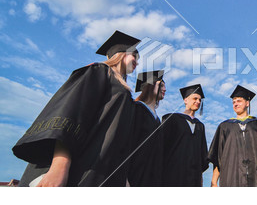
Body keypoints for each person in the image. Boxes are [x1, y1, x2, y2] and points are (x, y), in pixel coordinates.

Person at [12, 30, 141, 187]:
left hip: (102, 172)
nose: (137, 62)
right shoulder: (97, 72)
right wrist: (59, 167)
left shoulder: (125, 92)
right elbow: (71, 115)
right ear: (120, 54)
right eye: (134, 56)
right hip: (79, 168)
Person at [208, 85, 257, 187]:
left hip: (256, 177)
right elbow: (218, 156)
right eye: (234, 102)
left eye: (239, 101)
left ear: (247, 103)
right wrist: (214, 182)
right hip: (231, 178)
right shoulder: (224, 126)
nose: (236, 104)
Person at [160, 84, 208, 186]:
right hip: (171, 177)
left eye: (200, 100)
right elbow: (161, 148)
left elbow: (203, 155)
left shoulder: (200, 126)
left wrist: (200, 176)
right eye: (195, 98)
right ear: (185, 100)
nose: (198, 102)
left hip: (194, 179)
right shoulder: (172, 119)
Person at [128, 70, 165, 186]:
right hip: (133, 177)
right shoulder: (136, 109)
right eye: (161, 85)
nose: (164, 89)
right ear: (150, 86)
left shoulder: (158, 120)